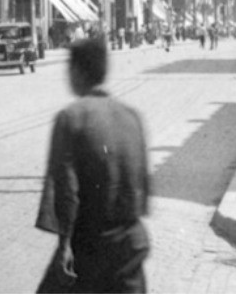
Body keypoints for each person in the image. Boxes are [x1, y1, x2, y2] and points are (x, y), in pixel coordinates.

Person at [36, 37, 150, 293]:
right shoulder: (131, 116)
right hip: (131, 246)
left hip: (91, 250)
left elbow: (66, 191)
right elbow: (143, 189)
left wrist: (65, 245)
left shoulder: (71, 118)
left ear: (77, 72)